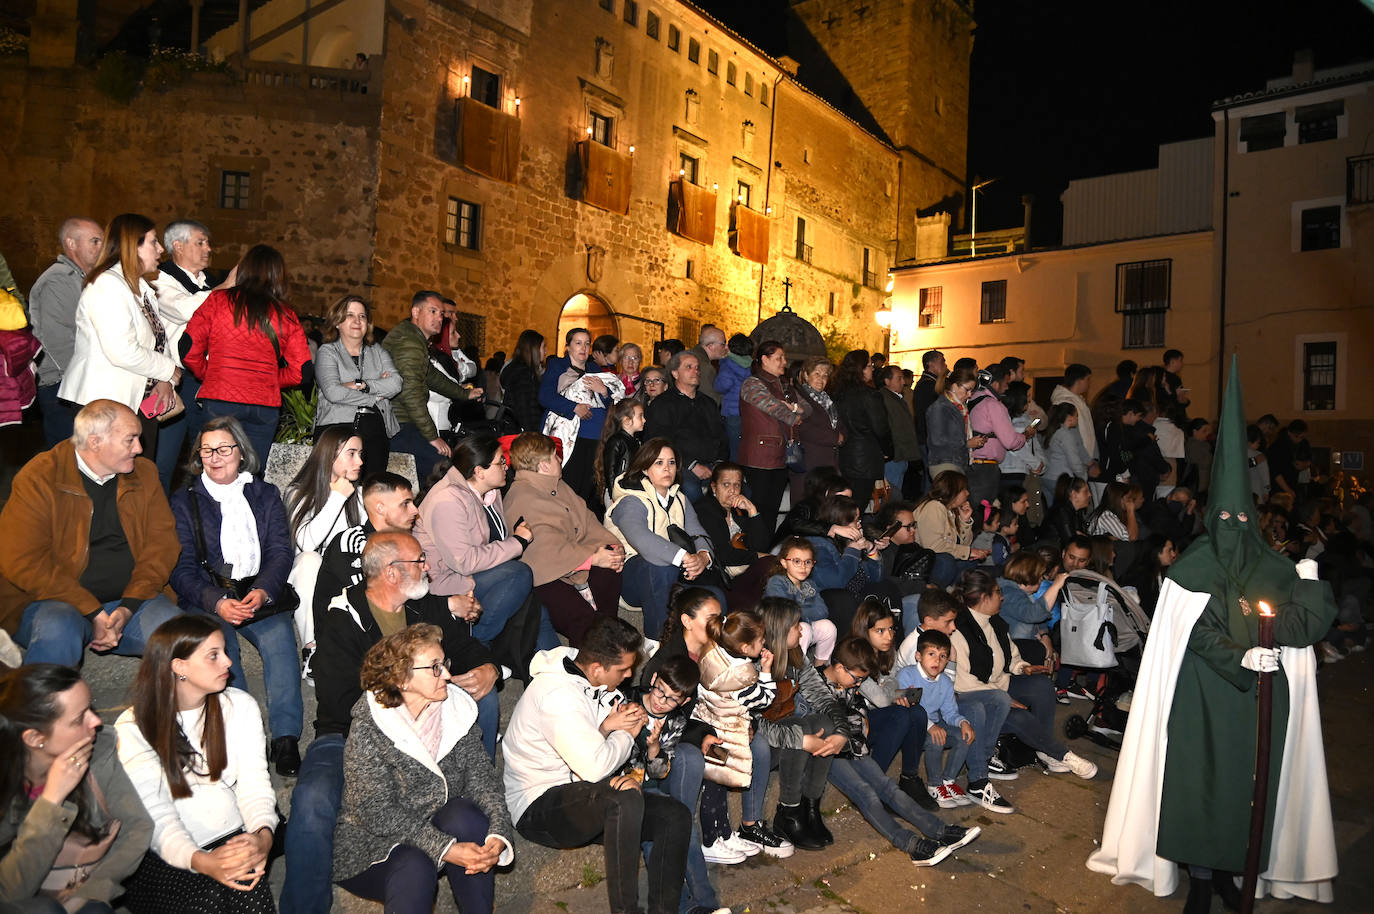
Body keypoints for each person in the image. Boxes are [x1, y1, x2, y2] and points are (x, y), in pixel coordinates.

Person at [1088, 360, 1338, 911]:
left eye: (1241, 518)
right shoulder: (1194, 568)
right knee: (1199, 787)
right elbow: (1190, 632)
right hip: (1204, 695)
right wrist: (1240, 657)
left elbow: (1301, 623)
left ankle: (1237, 870)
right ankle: (1201, 877)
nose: (1234, 528)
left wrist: (1312, 585)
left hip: (1262, 700)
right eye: (1224, 517)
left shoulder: (1275, 567)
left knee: (1249, 788)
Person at [280, 532, 499, 914]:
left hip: (420, 726)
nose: (428, 567)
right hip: (346, 733)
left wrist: (489, 668)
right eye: (420, 561)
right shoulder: (341, 616)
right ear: (393, 572)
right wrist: (407, 700)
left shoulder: (421, 607)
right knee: (313, 801)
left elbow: (463, 647)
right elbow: (337, 697)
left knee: (484, 703)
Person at [502, 616, 692, 914]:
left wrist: (616, 729)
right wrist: (625, 733)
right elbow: (594, 767)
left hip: (584, 792)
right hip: (538, 805)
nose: (630, 674)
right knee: (624, 800)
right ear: (597, 668)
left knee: (675, 816)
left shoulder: (589, 678)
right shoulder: (558, 696)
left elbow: (596, 743)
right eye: (623, 669)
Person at [334, 625, 514, 913]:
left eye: (444, 664)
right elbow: (375, 810)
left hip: (433, 825)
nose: (447, 675)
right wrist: (446, 848)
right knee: (413, 866)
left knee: (466, 817)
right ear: (401, 678)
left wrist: (498, 834)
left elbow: (481, 779)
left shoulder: (456, 710)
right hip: (373, 844)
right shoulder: (371, 725)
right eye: (434, 668)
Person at [115, 615, 278, 913]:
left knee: (246, 883)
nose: (228, 662)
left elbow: (255, 785)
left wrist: (262, 839)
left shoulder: (239, 705)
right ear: (180, 667)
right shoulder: (133, 727)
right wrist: (203, 862)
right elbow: (157, 817)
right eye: (214, 655)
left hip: (231, 835)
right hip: (163, 855)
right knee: (208, 900)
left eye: (224, 652)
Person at [168, 416, 303, 776]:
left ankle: (286, 738)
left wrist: (263, 591)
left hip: (258, 591)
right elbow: (180, 569)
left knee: (279, 639)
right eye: (207, 449)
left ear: (241, 453)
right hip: (209, 596)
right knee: (221, 647)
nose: (215, 457)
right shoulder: (185, 501)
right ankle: (246, 735)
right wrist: (216, 601)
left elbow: (280, 551)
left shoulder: (265, 493)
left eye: (224, 448)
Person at [1, 399, 181, 666]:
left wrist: (128, 607)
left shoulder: (144, 473)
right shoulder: (40, 477)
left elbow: (162, 546)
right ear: (95, 442)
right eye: (130, 440)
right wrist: (92, 610)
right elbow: (22, 560)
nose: (139, 448)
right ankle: (43, 707)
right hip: (54, 601)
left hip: (132, 601)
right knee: (57, 633)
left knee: (183, 639)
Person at [810, 638, 981, 866]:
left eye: (862, 679)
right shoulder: (814, 684)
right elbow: (816, 722)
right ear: (840, 667)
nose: (858, 684)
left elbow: (860, 715)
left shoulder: (849, 682)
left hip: (853, 747)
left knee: (887, 786)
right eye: (857, 678)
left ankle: (939, 830)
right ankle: (910, 844)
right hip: (828, 753)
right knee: (866, 793)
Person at [0, 664, 152, 913]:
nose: (96, 720)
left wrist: (92, 893)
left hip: (87, 893)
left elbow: (138, 827)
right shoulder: (8, 789)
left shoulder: (98, 751)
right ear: (35, 738)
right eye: (79, 718)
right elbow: (12, 893)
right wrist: (51, 800)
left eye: (90, 706)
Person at [949, 569, 1098, 808]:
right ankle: (1061, 753)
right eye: (998, 593)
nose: (1003, 598)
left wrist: (1023, 667)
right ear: (984, 597)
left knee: (1040, 685)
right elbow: (962, 683)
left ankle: (1045, 749)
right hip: (974, 697)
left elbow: (1011, 657)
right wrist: (1004, 698)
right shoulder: (959, 629)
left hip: (1000, 687)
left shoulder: (995, 622)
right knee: (1017, 715)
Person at [58, 214, 181, 461]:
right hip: (105, 403)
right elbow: (121, 350)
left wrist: (164, 379)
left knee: (136, 480)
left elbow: (158, 340)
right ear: (131, 245)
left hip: (136, 402)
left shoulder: (140, 287)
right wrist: (168, 369)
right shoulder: (107, 285)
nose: (160, 249)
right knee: (109, 478)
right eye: (153, 242)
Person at [181, 244, 311, 463]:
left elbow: (187, 348)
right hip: (264, 405)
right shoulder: (286, 315)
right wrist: (268, 378)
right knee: (253, 473)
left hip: (220, 399)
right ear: (279, 276)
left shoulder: (217, 301)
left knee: (216, 468)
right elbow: (302, 371)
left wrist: (212, 374)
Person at [502, 432, 623, 647]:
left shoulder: (556, 484)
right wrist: (593, 558)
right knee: (582, 619)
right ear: (544, 465)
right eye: (554, 456)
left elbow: (587, 520)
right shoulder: (522, 497)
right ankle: (590, 662)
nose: (559, 459)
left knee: (609, 574)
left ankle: (609, 638)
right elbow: (545, 552)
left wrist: (611, 548)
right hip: (546, 577)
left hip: (575, 556)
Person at [414, 434, 536, 647]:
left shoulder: (491, 491)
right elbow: (465, 562)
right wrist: (518, 543)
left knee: (533, 606)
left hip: (478, 571)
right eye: (501, 462)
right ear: (479, 472)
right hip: (446, 581)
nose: (506, 466)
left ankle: (556, 669)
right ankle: (474, 642)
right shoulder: (448, 500)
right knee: (519, 574)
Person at [605, 438, 723, 638]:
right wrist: (685, 557)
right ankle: (658, 642)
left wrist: (703, 557)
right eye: (659, 463)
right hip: (629, 577)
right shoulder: (629, 500)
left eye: (672, 462)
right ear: (644, 468)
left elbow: (698, 532)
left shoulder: (680, 498)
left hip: (672, 570)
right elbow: (642, 540)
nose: (667, 468)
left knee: (716, 596)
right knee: (659, 567)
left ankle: (716, 647)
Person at [753, 598, 846, 853]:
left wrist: (841, 731)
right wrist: (801, 740)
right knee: (799, 728)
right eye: (796, 626)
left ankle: (810, 807)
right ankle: (788, 811)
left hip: (785, 731)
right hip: (759, 745)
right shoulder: (754, 663)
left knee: (825, 723)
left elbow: (823, 696)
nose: (802, 630)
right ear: (779, 629)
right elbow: (752, 723)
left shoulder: (796, 657)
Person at [152, 220, 224, 489]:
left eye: (207, 242)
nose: (208, 248)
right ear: (178, 246)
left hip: (208, 380)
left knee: (206, 457)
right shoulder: (159, 278)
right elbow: (186, 309)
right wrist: (227, 289)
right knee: (164, 459)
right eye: (200, 242)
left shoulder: (209, 283)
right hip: (174, 380)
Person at [284, 428, 365, 658]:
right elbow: (306, 543)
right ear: (329, 455)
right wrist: (337, 497)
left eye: (360, 453)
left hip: (348, 580)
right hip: (311, 582)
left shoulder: (359, 497)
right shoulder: (298, 493)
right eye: (351, 453)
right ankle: (312, 650)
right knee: (309, 559)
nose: (359, 460)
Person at [382, 291, 480, 482]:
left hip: (400, 420)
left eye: (441, 314)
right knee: (444, 472)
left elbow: (431, 375)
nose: (439, 318)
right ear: (416, 312)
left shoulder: (413, 338)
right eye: (433, 311)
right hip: (399, 422)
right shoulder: (410, 342)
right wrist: (432, 437)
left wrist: (463, 394)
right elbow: (410, 393)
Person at [850, 599, 934, 809]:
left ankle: (909, 778)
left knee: (918, 712)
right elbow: (881, 699)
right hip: (856, 723)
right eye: (880, 631)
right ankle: (873, 785)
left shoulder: (889, 653)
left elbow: (891, 689)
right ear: (864, 631)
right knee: (900, 714)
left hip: (879, 716)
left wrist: (891, 690)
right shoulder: (854, 654)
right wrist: (890, 688)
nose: (888, 636)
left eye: (891, 629)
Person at [28, 217, 104, 447]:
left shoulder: (83, 279)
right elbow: (57, 340)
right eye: (94, 241)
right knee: (67, 458)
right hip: (62, 385)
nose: (101, 247)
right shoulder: (59, 279)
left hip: (76, 382)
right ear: (71, 244)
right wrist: (84, 382)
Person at [313, 295, 402, 482]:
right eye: (350, 315)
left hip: (375, 428)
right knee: (335, 487)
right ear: (337, 322)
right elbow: (333, 392)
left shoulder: (378, 351)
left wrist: (363, 385)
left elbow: (396, 383)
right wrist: (375, 395)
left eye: (362, 316)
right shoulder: (327, 352)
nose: (357, 321)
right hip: (336, 428)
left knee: (371, 489)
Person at [312, 471, 419, 620]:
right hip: (348, 636)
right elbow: (367, 601)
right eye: (405, 504)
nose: (415, 510)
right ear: (380, 508)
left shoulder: (405, 544)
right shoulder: (352, 543)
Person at [540, 327, 622, 504]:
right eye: (578, 343)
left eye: (587, 343)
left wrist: (604, 392)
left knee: (589, 487)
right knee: (569, 485)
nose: (583, 348)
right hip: (571, 436)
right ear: (568, 346)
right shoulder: (557, 366)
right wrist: (574, 407)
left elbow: (611, 403)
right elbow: (545, 396)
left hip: (596, 436)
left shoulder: (595, 368)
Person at [896, 630, 975, 808]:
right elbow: (910, 709)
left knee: (964, 736)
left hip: (933, 724)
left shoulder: (945, 682)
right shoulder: (907, 675)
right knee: (936, 738)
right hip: (912, 728)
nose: (937, 661)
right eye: (931, 654)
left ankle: (948, 781)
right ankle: (935, 785)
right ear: (918, 656)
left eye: (943, 656)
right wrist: (930, 726)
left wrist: (963, 722)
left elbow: (949, 713)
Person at [739, 340, 810, 529]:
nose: (784, 362)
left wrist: (794, 406)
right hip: (758, 459)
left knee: (771, 512)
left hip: (781, 458)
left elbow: (808, 409)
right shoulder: (752, 384)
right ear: (764, 359)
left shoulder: (785, 386)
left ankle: (767, 552)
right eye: (779, 358)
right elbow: (774, 408)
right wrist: (795, 416)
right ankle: (754, 551)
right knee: (756, 510)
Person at [644, 349, 728, 504]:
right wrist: (692, 465)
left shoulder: (708, 403)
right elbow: (661, 442)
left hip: (711, 464)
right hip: (680, 465)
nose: (695, 371)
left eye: (697, 368)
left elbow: (722, 436)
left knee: (738, 489)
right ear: (675, 374)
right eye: (689, 367)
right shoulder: (663, 404)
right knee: (691, 491)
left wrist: (719, 464)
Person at [693, 462, 777, 611]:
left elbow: (761, 545)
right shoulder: (705, 510)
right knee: (770, 563)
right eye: (726, 485)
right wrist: (758, 556)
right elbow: (722, 554)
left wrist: (752, 511)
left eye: (737, 485)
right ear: (714, 487)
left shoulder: (739, 512)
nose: (732, 491)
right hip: (722, 578)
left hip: (743, 575)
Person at [967, 364, 1033, 513]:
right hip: (986, 469)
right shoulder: (993, 405)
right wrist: (1025, 436)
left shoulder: (972, 400)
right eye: (1006, 383)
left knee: (975, 512)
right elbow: (1010, 441)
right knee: (985, 514)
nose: (1007, 388)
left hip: (971, 464)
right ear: (996, 384)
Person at [763, 537, 839, 665]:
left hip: (803, 626)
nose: (803, 567)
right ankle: (797, 670)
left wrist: (800, 611)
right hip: (778, 633)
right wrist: (807, 609)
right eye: (797, 561)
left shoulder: (810, 584)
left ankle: (819, 668)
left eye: (808, 562)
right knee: (803, 629)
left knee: (828, 627)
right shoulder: (776, 582)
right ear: (784, 562)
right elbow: (787, 615)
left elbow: (823, 611)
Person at [829, 350, 890, 508]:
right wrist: (888, 450)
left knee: (845, 506)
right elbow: (881, 428)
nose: (873, 369)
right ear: (860, 370)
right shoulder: (869, 395)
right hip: (864, 458)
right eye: (869, 366)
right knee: (857, 507)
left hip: (843, 456)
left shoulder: (836, 393)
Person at [913, 470, 989, 587]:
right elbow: (934, 547)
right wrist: (968, 552)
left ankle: (952, 592)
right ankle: (934, 593)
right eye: (964, 489)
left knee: (970, 563)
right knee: (946, 561)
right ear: (954, 491)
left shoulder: (950, 510)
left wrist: (965, 521)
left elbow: (964, 545)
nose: (967, 493)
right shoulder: (934, 507)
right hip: (923, 561)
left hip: (938, 559)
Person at [791, 355, 843, 501]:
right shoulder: (799, 397)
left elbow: (840, 424)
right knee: (807, 508)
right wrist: (834, 438)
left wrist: (843, 436)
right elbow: (803, 426)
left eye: (825, 375)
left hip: (828, 463)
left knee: (826, 509)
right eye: (817, 374)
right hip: (809, 463)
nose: (821, 379)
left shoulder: (828, 400)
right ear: (806, 375)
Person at [925, 364, 986, 480]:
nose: (969, 395)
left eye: (971, 391)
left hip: (958, 462)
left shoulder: (959, 408)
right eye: (967, 390)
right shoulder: (940, 407)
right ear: (954, 386)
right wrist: (967, 443)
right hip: (944, 463)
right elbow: (938, 440)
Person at [595, 398, 645, 507]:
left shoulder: (636, 442)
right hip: (618, 493)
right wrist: (614, 494)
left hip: (632, 492)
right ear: (627, 421)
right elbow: (610, 471)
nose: (644, 420)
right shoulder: (616, 441)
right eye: (640, 416)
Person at [1119, 533, 1178, 618]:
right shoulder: (1140, 577)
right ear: (1158, 552)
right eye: (1169, 550)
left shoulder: (1159, 572)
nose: (1173, 554)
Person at [714, 333, 753, 459]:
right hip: (748, 411)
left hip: (731, 412)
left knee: (732, 449)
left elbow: (723, 385)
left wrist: (716, 384)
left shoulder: (728, 364)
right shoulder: (751, 365)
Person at [500, 329, 547, 432]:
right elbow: (524, 410)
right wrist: (532, 435)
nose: (545, 351)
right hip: (523, 435)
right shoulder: (523, 374)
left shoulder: (519, 369)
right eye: (543, 347)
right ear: (534, 349)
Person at [1051, 364, 1098, 463]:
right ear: (1079, 381)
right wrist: (1088, 461)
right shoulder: (1065, 401)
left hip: (1082, 456)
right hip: (1074, 459)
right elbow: (1071, 433)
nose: (1089, 383)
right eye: (1088, 379)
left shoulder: (1078, 400)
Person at [912, 349, 946, 458]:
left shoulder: (933, 384)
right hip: (929, 439)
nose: (945, 365)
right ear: (930, 364)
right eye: (942, 361)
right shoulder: (928, 385)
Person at [687, 325, 727, 406]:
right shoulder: (704, 367)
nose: (726, 347)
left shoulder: (687, 355)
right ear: (711, 346)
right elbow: (711, 401)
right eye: (723, 344)